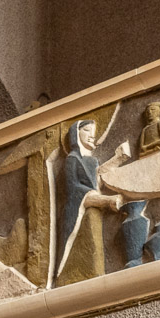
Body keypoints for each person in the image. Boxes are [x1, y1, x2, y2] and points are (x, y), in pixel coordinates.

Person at [55, 120, 122, 287]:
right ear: (75, 134)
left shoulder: (92, 162)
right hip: (77, 210)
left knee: (94, 250)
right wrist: (105, 200)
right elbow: (73, 188)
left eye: (94, 131)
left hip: (94, 212)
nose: (92, 135)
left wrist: (117, 160)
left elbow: (94, 184)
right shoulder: (72, 159)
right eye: (86, 130)